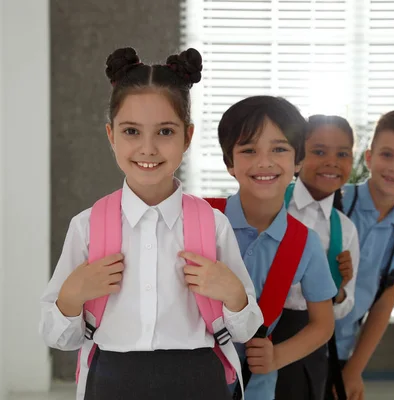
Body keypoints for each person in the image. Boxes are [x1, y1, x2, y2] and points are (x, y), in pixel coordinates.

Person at [39, 47, 263, 400]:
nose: (148, 148)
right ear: (111, 135)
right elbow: (58, 337)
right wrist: (71, 297)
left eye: (164, 132)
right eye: (131, 131)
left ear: (187, 138)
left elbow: (246, 328)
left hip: (198, 378)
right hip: (111, 379)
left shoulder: (213, 225)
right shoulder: (86, 227)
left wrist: (234, 295)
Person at [212, 95, 337, 400]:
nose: (264, 162)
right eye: (248, 150)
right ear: (230, 163)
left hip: (255, 388)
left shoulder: (304, 243)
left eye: (279, 149)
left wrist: (277, 357)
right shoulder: (201, 220)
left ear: (298, 161)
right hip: (189, 380)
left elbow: (323, 324)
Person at [326, 110, 394, 400]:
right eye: (387, 154)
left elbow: (383, 306)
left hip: (343, 352)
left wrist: (354, 370)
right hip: (297, 343)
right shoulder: (335, 202)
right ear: (369, 158)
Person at [274, 115, 360, 400]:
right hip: (262, 329)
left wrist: (339, 289)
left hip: (312, 337)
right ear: (298, 156)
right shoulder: (271, 205)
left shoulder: (345, 230)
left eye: (343, 154)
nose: (332, 162)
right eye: (319, 152)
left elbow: (344, 307)